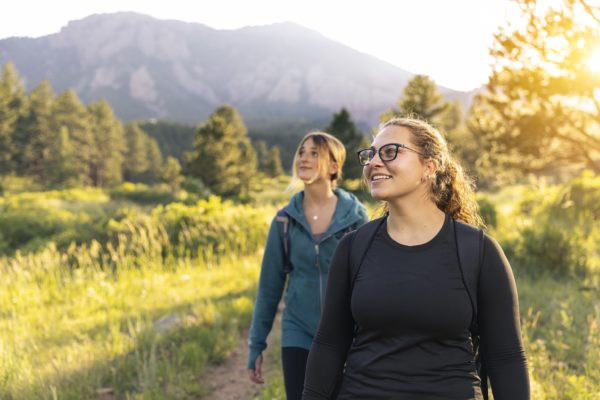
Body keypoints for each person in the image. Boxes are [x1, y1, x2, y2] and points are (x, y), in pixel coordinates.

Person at [302, 118, 529, 400]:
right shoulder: (353, 248)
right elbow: (329, 345)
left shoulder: (478, 251)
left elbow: (506, 357)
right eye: (370, 154)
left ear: (429, 167)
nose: (374, 162)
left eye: (390, 152)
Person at [247, 131, 369, 400]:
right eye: (302, 152)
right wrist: (256, 344)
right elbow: (269, 288)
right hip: (298, 332)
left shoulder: (356, 218)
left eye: (315, 153)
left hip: (345, 335)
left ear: (334, 166)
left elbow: (370, 281)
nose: (304, 158)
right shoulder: (284, 222)